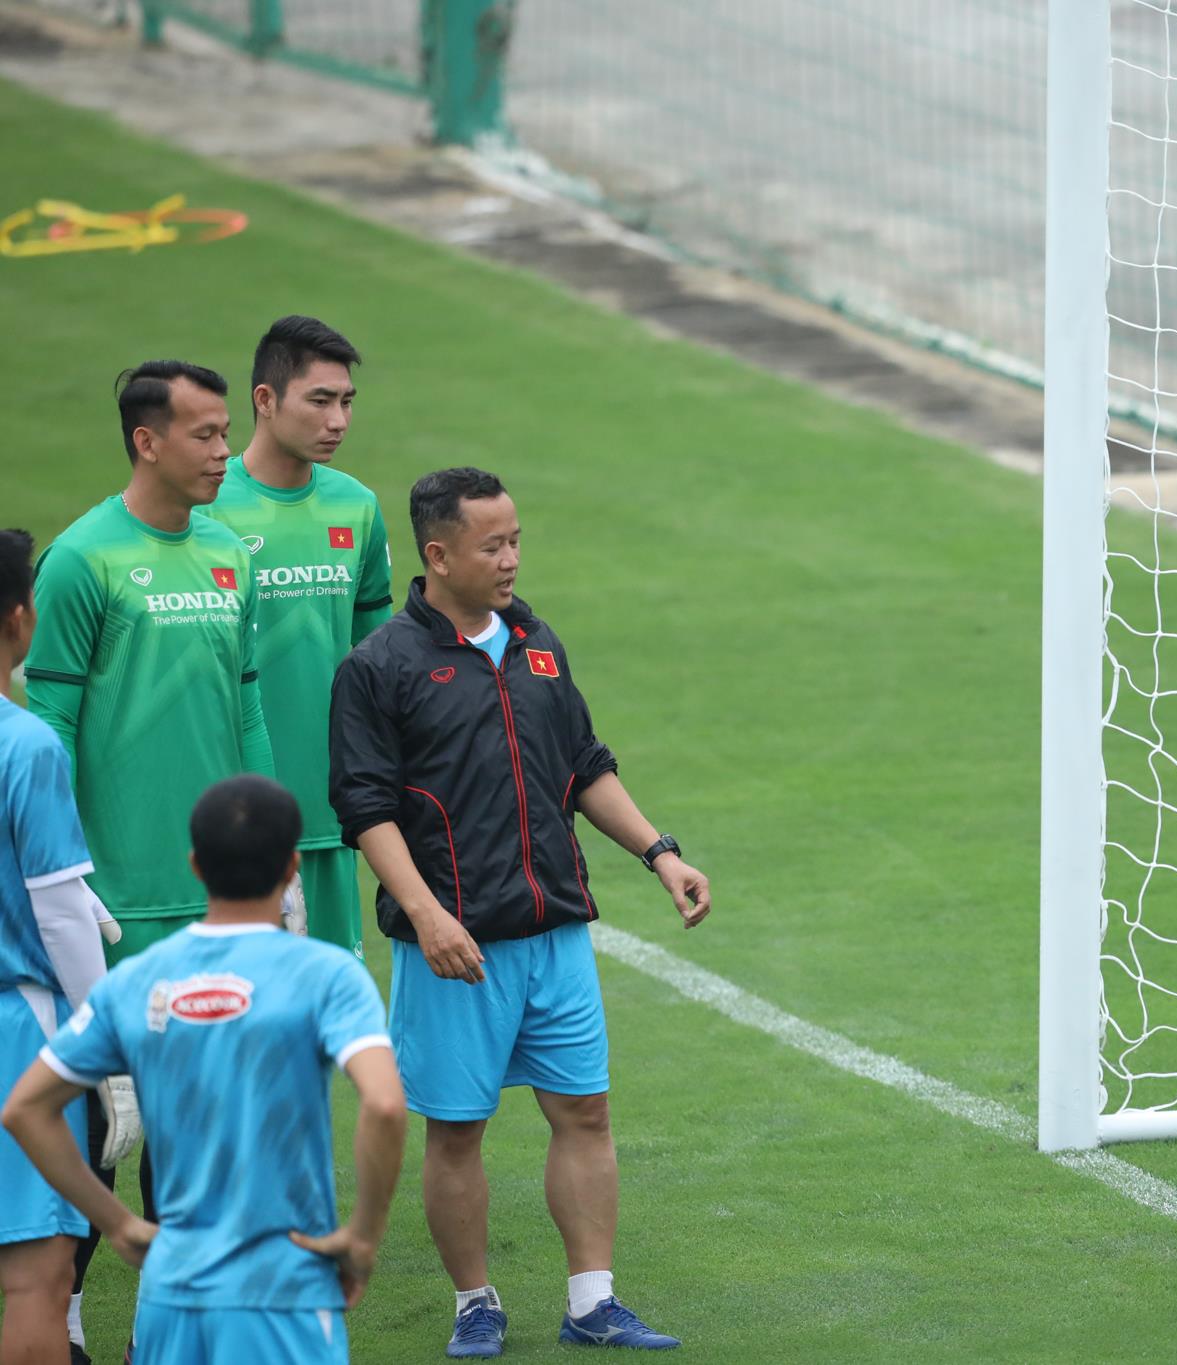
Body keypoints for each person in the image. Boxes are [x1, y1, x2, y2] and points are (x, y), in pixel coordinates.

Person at [329, 466, 712, 1357]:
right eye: (492, 544)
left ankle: (593, 1300)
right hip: (455, 946)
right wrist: (426, 916)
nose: (510, 559)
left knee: (585, 1113)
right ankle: (475, 1301)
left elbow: (582, 763)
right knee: (457, 1128)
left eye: (516, 540)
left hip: (556, 936)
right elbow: (365, 809)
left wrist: (661, 854)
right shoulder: (380, 667)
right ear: (437, 554)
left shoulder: (537, 640)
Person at [24, 360, 275, 1356]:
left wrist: (276, 850)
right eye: (207, 435)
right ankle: (69, 1315)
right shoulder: (82, 560)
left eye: (224, 433)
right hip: (114, 904)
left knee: (197, 1130)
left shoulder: (229, 550)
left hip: (216, 903)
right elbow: (47, 731)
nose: (224, 453)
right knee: (98, 1126)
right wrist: (68, 884)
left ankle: (170, 1327)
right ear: (147, 441)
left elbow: (246, 703)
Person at [2, 774, 406, 1364]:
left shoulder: (136, 981)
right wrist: (363, 1236)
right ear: (292, 865)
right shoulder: (327, 976)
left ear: (194, 865)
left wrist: (116, 1223)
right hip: (284, 1290)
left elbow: (25, 1108)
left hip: (171, 1293)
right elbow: (385, 1103)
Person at [200, 316, 392, 958]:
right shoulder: (204, 507)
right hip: (230, 815)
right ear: (264, 400)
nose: (338, 420)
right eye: (319, 400)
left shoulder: (356, 506)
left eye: (346, 403)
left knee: (326, 1012)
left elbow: (378, 660)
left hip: (333, 810)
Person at [0, 527, 127, 1365]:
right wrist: (106, 1050)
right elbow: (60, 916)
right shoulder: (28, 744)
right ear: (20, 619)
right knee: (36, 1284)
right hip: (21, 1036)